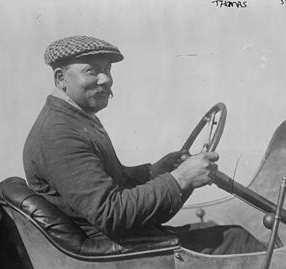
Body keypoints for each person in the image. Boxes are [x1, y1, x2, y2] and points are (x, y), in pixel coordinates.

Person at [23, 35, 265, 255]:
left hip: (130, 244)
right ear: (61, 79)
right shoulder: (59, 134)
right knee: (238, 241)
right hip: (126, 259)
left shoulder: (73, 119)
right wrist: (180, 178)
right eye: (91, 70)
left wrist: (157, 170)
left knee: (230, 235)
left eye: (107, 69)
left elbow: (112, 182)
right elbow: (111, 212)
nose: (105, 79)